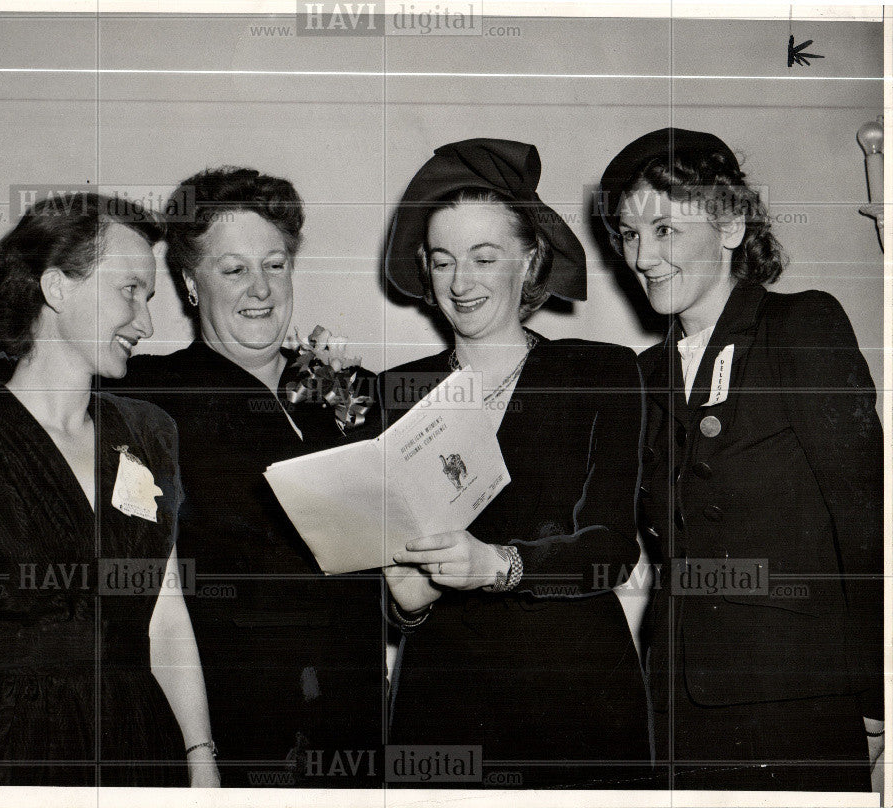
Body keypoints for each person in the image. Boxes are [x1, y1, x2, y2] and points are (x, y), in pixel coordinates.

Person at [598, 127, 884, 791]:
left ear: (729, 225)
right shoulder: (640, 376)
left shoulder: (800, 327)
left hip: (797, 701)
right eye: (629, 234)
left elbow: (869, 522)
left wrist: (876, 693)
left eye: (665, 229)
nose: (642, 255)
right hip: (675, 707)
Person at [0, 193, 219, 787]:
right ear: (56, 289)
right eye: (129, 290)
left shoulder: (149, 434)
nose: (147, 322)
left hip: (140, 747)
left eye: (148, 297)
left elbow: (166, 620)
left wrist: (201, 765)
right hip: (7, 749)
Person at [381, 139, 650, 789]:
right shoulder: (391, 392)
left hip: (575, 703)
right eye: (441, 261)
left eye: (484, 257)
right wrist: (403, 603)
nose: (460, 282)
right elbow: (385, 574)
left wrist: (499, 565)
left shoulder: (600, 372)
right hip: (442, 705)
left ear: (530, 262)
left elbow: (612, 547)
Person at [104, 167, 385, 788]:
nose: (260, 289)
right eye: (233, 270)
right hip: (227, 732)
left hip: (357, 731)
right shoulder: (147, 393)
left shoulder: (350, 389)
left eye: (276, 265)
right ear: (189, 284)